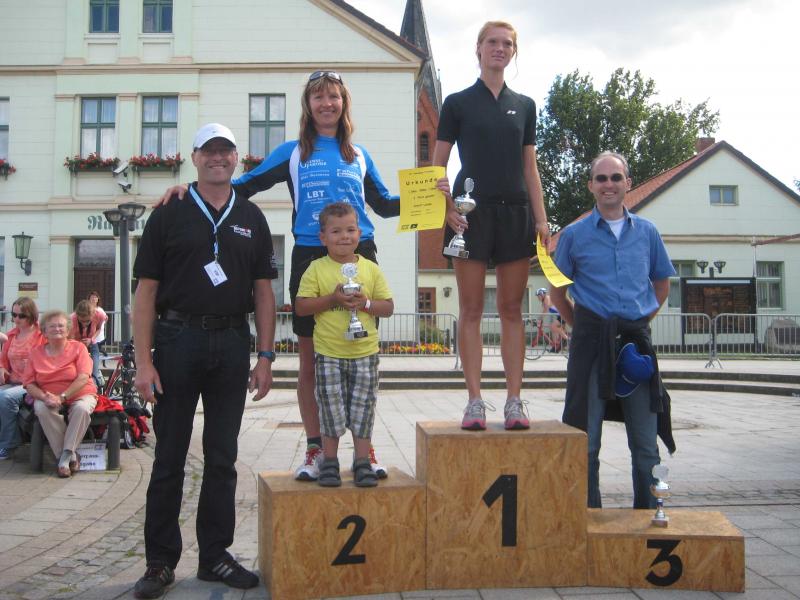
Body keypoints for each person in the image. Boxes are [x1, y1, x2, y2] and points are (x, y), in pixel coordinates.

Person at [158, 70, 398, 481]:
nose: (326, 104)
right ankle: (315, 450)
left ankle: (364, 449)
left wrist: (434, 199)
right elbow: (244, 185)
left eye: (334, 97)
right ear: (308, 105)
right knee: (310, 360)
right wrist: (189, 190)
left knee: (361, 357)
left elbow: (386, 204)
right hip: (309, 255)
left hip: (360, 255)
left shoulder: (360, 155)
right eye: (318, 97)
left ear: (344, 103)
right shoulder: (292, 152)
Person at [131, 123, 278, 599]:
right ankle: (160, 562)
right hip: (177, 340)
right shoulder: (169, 212)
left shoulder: (251, 216)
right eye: (208, 150)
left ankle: (215, 554)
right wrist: (143, 363)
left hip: (232, 342)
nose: (218, 157)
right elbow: (145, 292)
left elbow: (263, 292)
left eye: (225, 150)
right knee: (169, 456)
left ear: (237, 158)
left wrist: (265, 357)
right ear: (194, 157)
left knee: (222, 456)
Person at [432, 21, 550, 431]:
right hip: (470, 215)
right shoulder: (457, 103)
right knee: (470, 309)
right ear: (478, 49)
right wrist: (446, 209)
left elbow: (530, 168)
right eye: (493, 42)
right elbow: (437, 164)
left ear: (513, 52)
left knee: (512, 309)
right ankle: (474, 401)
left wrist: (541, 220)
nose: (500, 48)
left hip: (516, 213)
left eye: (507, 44)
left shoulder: (526, 105)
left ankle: (515, 401)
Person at [549, 151, 676, 509]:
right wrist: (582, 327)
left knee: (645, 444)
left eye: (616, 177)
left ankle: (647, 519)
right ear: (590, 185)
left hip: (635, 347)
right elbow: (557, 293)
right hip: (591, 346)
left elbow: (661, 285)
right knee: (585, 442)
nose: (609, 184)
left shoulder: (648, 232)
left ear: (628, 184)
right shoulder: (574, 235)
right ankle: (587, 520)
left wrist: (640, 323)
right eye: (601, 178)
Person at [295, 202, 394, 487]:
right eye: (336, 231)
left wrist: (365, 304)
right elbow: (301, 307)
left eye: (350, 230)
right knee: (331, 409)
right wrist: (332, 299)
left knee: (363, 408)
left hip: (365, 353)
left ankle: (362, 462)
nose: (344, 236)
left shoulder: (371, 269)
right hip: (328, 354)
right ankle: (330, 462)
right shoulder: (316, 269)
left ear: (359, 234)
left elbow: (387, 307)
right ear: (323, 237)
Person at [22, 310, 97, 477]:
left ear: (68, 329)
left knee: (82, 409)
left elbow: (83, 377)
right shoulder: (35, 353)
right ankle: (70, 457)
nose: (57, 329)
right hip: (47, 395)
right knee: (41, 409)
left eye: (61, 326)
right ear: (44, 331)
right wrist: (44, 397)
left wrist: (63, 397)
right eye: (52, 326)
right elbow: (28, 383)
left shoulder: (78, 348)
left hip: (79, 392)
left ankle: (64, 458)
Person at [0, 298, 46, 460]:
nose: (16, 319)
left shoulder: (42, 335)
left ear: (31, 315)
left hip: (32, 384)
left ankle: (9, 444)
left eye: (21, 316)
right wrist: (1, 368)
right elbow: (3, 360)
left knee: (5, 397)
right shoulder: (11, 335)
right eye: (14, 315)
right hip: (13, 381)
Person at [70, 299, 108, 388]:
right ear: (77, 316)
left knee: (94, 368)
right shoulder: (71, 319)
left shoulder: (99, 315)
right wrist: (79, 344)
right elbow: (69, 339)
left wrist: (91, 339)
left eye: (87, 321)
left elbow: (99, 329)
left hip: (91, 342)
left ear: (93, 315)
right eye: (81, 321)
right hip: (76, 343)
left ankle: (96, 377)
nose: (84, 324)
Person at [535, 287, 569, 352]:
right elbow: (544, 310)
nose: (538, 298)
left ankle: (567, 339)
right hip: (560, 315)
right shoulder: (544, 301)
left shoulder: (547, 299)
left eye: (538, 296)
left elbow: (546, 309)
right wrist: (540, 318)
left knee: (553, 326)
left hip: (563, 314)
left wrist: (540, 318)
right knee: (555, 330)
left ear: (542, 294)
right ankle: (556, 347)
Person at [87, 291, 108, 355]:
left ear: (98, 299)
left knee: (95, 351)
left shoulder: (100, 309)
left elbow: (105, 319)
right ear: (89, 299)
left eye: (95, 297)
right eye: (92, 297)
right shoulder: (87, 309)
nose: (94, 299)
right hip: (89, 335)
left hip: (99, 335)